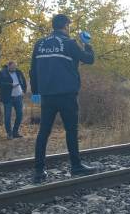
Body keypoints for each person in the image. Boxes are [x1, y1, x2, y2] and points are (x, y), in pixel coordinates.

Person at [29, 14, 98, 183]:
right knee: (71, 131)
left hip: (46, 96)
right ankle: (76, 166)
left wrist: (36, 97)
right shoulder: (69, 43)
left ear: (53, 26)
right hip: (67, 95)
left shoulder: (39, 44)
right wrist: (87, 44)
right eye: (69, 25)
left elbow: (33, 72)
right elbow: (89, 60)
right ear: (66, 26)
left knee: (43, 132)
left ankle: (39, 171)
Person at [0, 61, 27, 139]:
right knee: (8, 116)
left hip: (18, 96)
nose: (14, 68)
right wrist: (10, 85)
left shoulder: (18, 72)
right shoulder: (2, 73)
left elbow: (23, 81)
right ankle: (9, 133)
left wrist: (24, 91)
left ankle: (15, 132)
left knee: (20, 115)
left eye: (15, 67)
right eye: (13, 67)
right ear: (8, 66)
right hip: (8, 97)